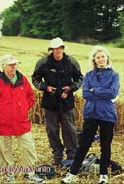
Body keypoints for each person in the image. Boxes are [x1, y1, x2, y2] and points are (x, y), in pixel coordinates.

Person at [61, 45, 120, 184]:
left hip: (107, 114)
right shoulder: (88, 75)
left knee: (105, 145)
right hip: (91, 113)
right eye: (98, 57)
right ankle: (73, 173)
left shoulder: (114, 75)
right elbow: (85, 93)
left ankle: (103, 175)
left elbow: (113, 93)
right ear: (94, 59)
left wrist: (95, 90)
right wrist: (100, 91)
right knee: (84, 144)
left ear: (107, 58)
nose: (101, 59)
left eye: (103, 57)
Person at [0, 54, 43, 183]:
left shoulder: (22, 79)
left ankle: (30, 173)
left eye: (15, 64)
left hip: (22, 121)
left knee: (28, 147)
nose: (14, 67)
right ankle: (9, 174)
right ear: (3, 66)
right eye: (11, 65)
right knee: (5, 149)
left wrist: (23, 108)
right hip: (3, 123)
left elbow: (30, 96)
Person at [32, 37, 83, 167]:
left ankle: (72, 155)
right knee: (52, 130)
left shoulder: (71, 62)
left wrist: (71, 88)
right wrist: (45, 87)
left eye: (60, 48)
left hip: (67, 102)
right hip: (50, 102)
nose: (58, 50)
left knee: (69, 129)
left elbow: (79, 78)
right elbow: (35, 79)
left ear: (63, 49)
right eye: (55, 48)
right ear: (51, 50)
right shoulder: (43, 63)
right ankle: (57, 155)